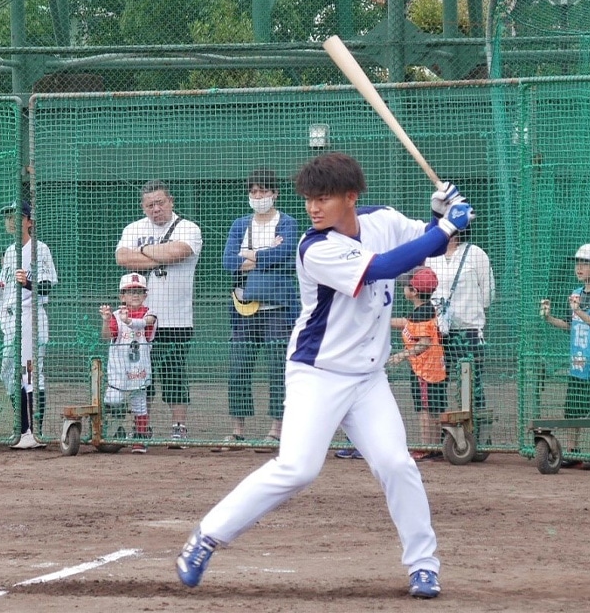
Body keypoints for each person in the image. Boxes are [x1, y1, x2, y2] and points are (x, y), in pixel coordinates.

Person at [176, 152, 476, 599]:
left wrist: (440, 218)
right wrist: (448, 224)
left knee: (397, 464)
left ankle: (423, 566)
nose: (313, 208)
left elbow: (431, 245)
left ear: (351, 197)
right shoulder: (315, 247)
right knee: (297, 468)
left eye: (324, 198)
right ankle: (207, 536)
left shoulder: (383, 219)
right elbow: (383, 267)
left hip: (369, 379)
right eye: (309, 199)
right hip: (318, 374)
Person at [116, 180, 202, 444]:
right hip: (138, 319)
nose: (155, 209)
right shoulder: (134, 228)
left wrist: (141, 251)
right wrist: (157, 255)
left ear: (171, 201)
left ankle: (178, 427)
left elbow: (179, 252)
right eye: (149, 205)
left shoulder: (188, 228)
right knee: (140, 376)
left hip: (176, 319)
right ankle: (142, 427)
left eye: (160, 203)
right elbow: (122, 257)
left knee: (175, 375)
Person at [220, 168, 299, 452]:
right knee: (239, 368)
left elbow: (287, 256)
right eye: (253, 191)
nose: (258, 196)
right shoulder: (240, 224)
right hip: (243, 308)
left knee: (279, 369)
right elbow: (228, 262)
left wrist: (251, 255)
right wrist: (266, 256)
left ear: (274, 193)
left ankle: (277, 430)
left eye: (263, 191)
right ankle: (237, 431)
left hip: (278, 309)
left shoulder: (287, 222)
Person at [0, 198, 59, 450]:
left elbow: (48, 285)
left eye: (17, 216)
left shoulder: (40, 249)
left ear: (29, 221)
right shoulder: (9, 251)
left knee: (30, 372)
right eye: (8, 216)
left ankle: (32, 431)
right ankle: (22, 426)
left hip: (30, 317)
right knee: (8, 372)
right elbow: (5, 282)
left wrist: (28, 283)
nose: (11, 221)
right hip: (8, 320)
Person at [540, 243, 590, 467]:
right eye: (578, 263)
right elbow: (570, 325)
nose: (579, 268)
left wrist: (579, 311)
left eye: (585, 264)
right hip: (578, 364)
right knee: (572, 408)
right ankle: (573, 452)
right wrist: (549, 318)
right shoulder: (576, 294)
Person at [423, 227, 494, 449]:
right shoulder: (430, 256)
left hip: (468, 331)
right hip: (438, 332)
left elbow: (488, 293)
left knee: (472, 387)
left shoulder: (476, 253)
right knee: (437, 385)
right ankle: (445, 438)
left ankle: (479, 438)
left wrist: (468, 313)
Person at [389, 267, 447, 462]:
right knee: (435, 408)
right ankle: (437, 447)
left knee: (425, 410)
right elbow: (408, 323)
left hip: (425, 369)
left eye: (407, 286)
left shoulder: (423, 312)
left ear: (414, 292)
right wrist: (382, 321)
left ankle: (426, 448)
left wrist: (401, 355)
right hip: (431, 366)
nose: (404, 288)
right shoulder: (423, 309)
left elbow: (424, 342)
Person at [99, 273, 157, 454]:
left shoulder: (150, 313)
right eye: (130, 291)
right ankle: (113, 432)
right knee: (112, 400)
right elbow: (107, 336)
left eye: (139, 291)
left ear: (145, 295)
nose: (135, 295)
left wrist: (129, 321)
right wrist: (108, 320)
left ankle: (140, 438)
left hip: (139, 369)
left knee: (139, 403)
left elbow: (146, 323)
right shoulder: (116, 315)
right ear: (122, 296)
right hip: (118, 370)